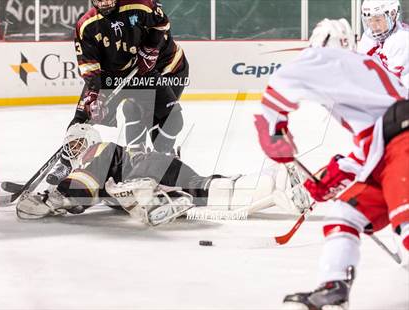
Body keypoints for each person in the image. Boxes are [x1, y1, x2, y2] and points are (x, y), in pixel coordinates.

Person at [254, 18, 409, 309]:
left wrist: (274, 134)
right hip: (388, 154)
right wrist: (338, 173)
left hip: (403, 149)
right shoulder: (364, 76)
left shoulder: (328, 57)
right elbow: (374, 145)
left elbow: (279, 87)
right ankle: (333, 287)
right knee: (344, 213)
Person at [16, 124, 311, 225]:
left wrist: (54, 198)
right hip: (161, 166)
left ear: (91, 140)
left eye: (79, 143)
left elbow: (85, 186)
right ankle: (277, 184)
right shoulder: (103, 156)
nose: (77, 149)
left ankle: (155, 197)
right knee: (205, 190)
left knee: (201, 191)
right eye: (72, 145)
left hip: (149, 170)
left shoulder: (100, 150)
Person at [46, 0, 189, 185]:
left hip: (138, 73)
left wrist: (150, 49)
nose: (105, 3)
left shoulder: (139, 5)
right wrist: (93, 95)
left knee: (173, 117)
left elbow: (162, 23)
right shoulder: (86, 25)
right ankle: (66, 162)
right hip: (107, 78)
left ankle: (161, 159)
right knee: (82, 118)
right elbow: (90, 66)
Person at [358, 0, 409, 89]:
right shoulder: (367, 38)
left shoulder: (403, 38)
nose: (373, 25)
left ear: (393, 15)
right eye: (369, 20)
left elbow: (392, 82)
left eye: (377, 19)